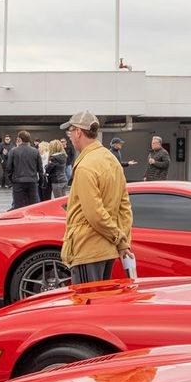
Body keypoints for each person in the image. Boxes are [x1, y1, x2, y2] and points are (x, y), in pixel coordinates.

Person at [60, 110, 133, 285]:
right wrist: (122, 242)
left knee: (86, 305)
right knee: (98, 303)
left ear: (78, 131)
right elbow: (124, 207)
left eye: (70, 131)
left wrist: (118, 237)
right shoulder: (111, 160)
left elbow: (94, 213)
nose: (69, 136)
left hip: (88, 248)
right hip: (107, 250)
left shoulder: (86, 165)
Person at [5, 130, 42, 209]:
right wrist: (40, 180)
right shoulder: (35, 151)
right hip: (32, 181)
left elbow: (8, 168)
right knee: (32, 206)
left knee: (18, 206)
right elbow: (40, 168)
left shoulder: (13, 151)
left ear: (19, 139)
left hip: (18, 182)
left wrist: (11, 179)